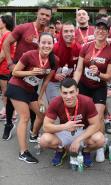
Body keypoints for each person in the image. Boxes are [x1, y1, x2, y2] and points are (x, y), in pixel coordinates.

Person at [5, 32, 58, 164]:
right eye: (43, 42)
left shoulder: (54, 60)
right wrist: (31, 72)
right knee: (25, 117)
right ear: (39, 43)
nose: (46, 45)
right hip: (16, 87)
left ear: (53, 44)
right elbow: (15, 72)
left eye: (49, 43)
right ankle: (23, 152)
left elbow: (46, 82)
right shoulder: (29, 55)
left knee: (42, 114)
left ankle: (33, 135)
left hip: (30, 90)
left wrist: (40, 98)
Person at [2, 5, 52, 140]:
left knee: (32, 100)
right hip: (17, 70)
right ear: (37, 13)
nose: (44, 17)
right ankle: (8, 124)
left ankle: (32, 128)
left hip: (33, 75)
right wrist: (10, 63)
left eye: (47, 15)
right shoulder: (23, 27)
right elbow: (6, 43)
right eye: (42, 14)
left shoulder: (46, 33)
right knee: (10, 101)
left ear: (50, 17)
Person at [74, 19, 111, 162]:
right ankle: (84, 142)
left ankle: (99, 146)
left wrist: (98, 73)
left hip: (99, 88)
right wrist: (74, 85)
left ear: (108, 32)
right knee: (82, 116)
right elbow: (79, 69)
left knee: (98, 118)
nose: (100, 31)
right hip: (84, 86)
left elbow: (109, 77)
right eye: (98, 28)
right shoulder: (86, 47)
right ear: (95, 30)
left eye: (104, 29)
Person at [40, 78, 105, 167]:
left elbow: (96, 125)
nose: (68, 96)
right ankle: (61, 150)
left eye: (71, 92)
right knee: (43, 140)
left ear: (77, 91)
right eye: (65, 93)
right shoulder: (55, 102)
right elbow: (46, 127)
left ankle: (86, 151)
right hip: (65, 131)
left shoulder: (87, 101)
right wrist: (65, 126)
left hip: (82, 131)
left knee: (100, 139)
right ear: (60, 92)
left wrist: (78, 140)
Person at [45, 22, 81, 103]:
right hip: (53, 82)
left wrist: (74, 83)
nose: (69, 34)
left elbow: (80, 68)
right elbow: (44, 67)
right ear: (61, 33)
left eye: (71, 31)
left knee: (70, 106)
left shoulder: (78, 48)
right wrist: (54, 75)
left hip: (70, 81)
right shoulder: (54, 48)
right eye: (66, 31)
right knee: (56, 105)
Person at [0, 15, 15, 123]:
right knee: (5, 92)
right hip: (3, 67)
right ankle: (8, 112)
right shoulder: (4, 34)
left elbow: (2, 55)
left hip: (5, 67)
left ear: (4, 23)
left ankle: (10, 114)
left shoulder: (8, 35)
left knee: (6, 92)